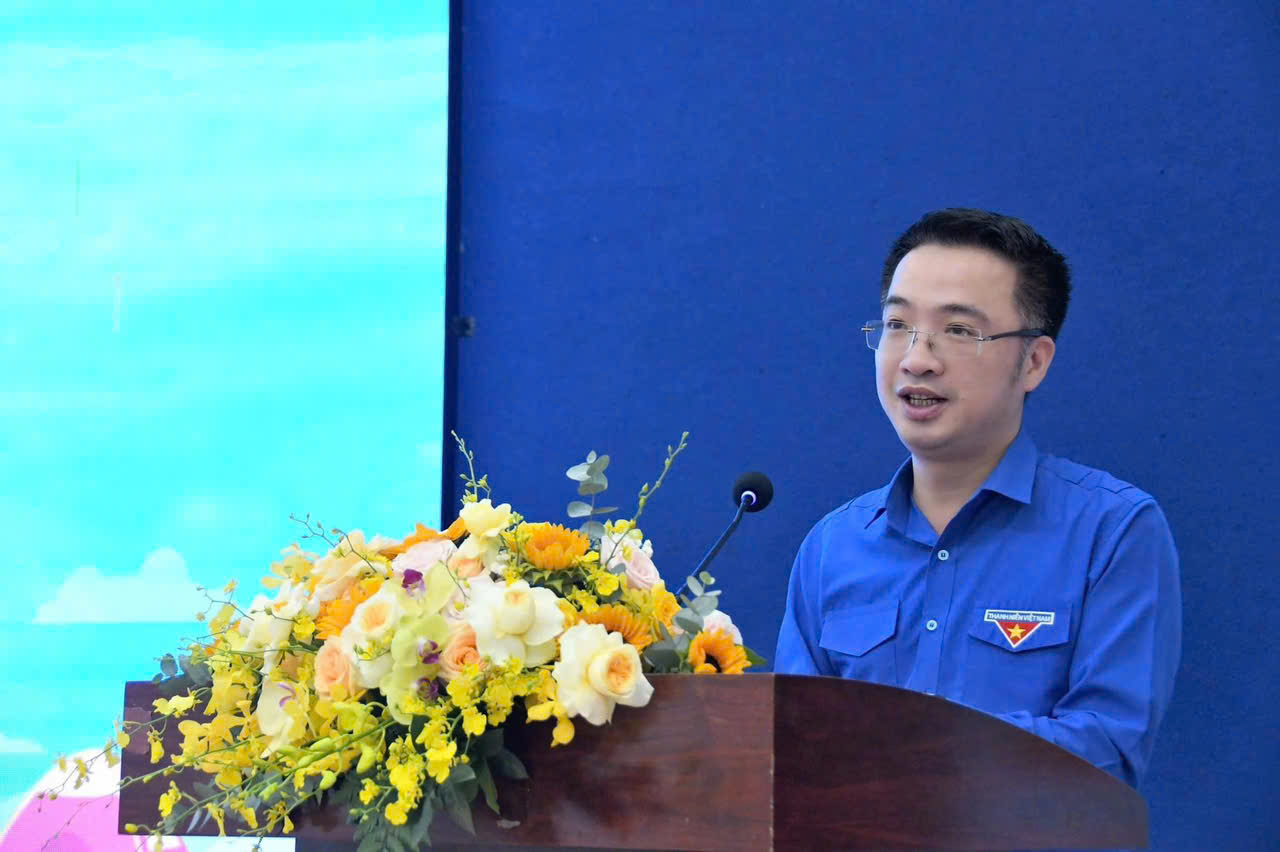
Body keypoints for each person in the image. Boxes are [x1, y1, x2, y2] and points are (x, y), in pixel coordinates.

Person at [774, 208, 1181, 788]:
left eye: (960, 331)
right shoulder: (832, 547)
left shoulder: (1112, 531)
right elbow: (792, 758)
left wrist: (906, 750)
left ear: (1033, 362)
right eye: (897, 325)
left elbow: (1106, 750)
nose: (917, 358)